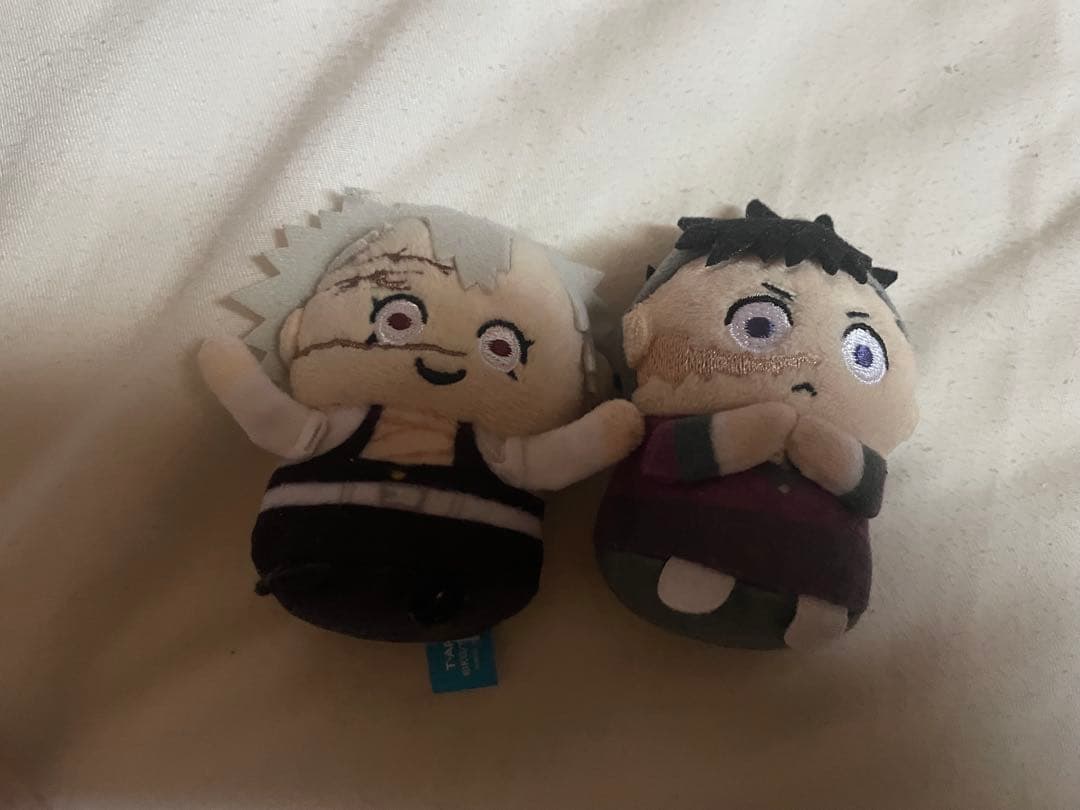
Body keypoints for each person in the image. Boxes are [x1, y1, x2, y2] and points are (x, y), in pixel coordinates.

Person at [594, 200, 918, 649]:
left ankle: (811, 600)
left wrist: (820, 445)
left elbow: (866, 492)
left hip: (823, 578)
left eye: (862, 354)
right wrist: (758, 429)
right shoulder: (679, 415)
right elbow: (667, 456)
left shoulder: (854, 439)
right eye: (759, 323)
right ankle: (706, 573)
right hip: (659, 551)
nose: (811, 367)